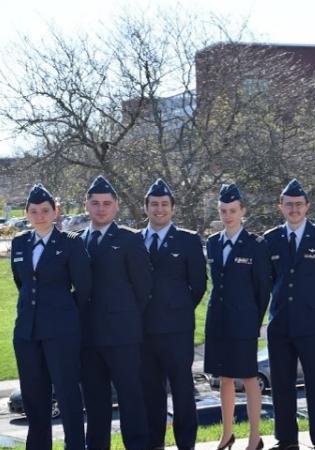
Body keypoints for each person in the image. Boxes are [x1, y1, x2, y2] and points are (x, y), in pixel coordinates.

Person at [263, 178, 315, 450]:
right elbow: (269, 280)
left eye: (298, 204)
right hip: (280, 323)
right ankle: (286, 439)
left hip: (311, 322)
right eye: (289, 204)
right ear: (280, 207)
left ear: (307, 206)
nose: (294, 209)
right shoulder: (271, 239)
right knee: (282, 386)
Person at [10, 184, 91, 450]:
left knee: (67, 395)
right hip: (27, 332)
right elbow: (21, 283)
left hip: (61, 331)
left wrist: (65, 315)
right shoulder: (19, 243)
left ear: (56, 212)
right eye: (34, 211)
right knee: (35, 398)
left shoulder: (70, 242)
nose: (40, 215)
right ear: (27, 213)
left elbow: (83, 288)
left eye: (45, 210)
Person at [79, 175, 152, 450]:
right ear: (86, 205)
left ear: (116, 206)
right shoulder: (77, 240)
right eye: (95, 203)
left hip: (122, 337)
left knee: (130, 399)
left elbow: (144, 288)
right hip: (88, 338)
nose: (101, 208)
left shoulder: (129, 240)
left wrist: (124, 317)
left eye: (106, 203)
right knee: (95, 404)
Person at [140, 178, 207, 450]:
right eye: (154, 204)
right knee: (151, 393)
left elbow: (199, 284)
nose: (159, 209)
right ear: (145, 207)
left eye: (164, 204)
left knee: (182, 391)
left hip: (177, 330)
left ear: (173, 208)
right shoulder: (133, 240)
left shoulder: (188, 240)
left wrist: (177, 308)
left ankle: (186, 444)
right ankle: (155, 443)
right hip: (144, 330)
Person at [205, 183, 271, 450]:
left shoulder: (256, 244)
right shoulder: (212, 242)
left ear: (242, 210)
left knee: (248, 377)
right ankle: (227, 434)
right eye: (223, 210)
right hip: (217, 320)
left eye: (232, 210)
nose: (227, 215)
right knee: (224, 378)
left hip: (243, 321)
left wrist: (252, 322)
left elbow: (263, 290)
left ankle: (255, 438)